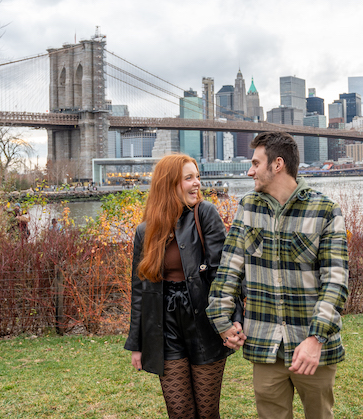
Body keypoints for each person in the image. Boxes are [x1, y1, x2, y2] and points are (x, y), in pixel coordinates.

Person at [208, 132, 349, 419]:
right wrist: (222, 322)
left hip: (312, 348)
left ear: (277, 164)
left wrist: (315, 339)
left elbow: (335, 282)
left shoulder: (326, 211)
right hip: (264, 344)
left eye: (255, 163)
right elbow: (228, 271)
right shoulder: (247, 208)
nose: (249, 171)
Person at [124, 154, 241, 419]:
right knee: (179, 412)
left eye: (197, 176)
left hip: (204, 323)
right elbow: (140, 289)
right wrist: (137, 343)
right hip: (165, 327)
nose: (197, 183)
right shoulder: (146, 231)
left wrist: (233, 320)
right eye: (189, 178)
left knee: (207, 412)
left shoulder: (205, 213)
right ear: (169, 184)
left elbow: (223, 274)